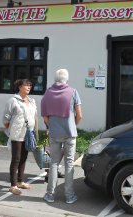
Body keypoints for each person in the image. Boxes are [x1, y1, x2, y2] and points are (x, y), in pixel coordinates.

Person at [41, 69, 82, 204]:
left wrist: (51, 126)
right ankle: (69, 196)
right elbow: (79, 115)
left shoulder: (47, 93)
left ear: (55, 79)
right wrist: (73, 125)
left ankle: (50, 195)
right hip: (70, 133)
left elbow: (45, 117)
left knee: (54, 163)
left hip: (54, 133)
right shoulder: (73, 92)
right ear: (67, 80)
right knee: (69, 163)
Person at [3, 79, 37, 195]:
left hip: (28, 133)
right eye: (26, 85)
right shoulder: (12, 101)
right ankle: (13, 185)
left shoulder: (32, 101)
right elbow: (6, 119)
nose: (29, 87)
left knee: (24, 157)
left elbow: (35, 117)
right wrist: (10, 129)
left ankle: (20, 181)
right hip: (17, 134)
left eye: (30, 85)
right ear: (19, 87)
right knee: (16, 158)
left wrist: (34, 132)